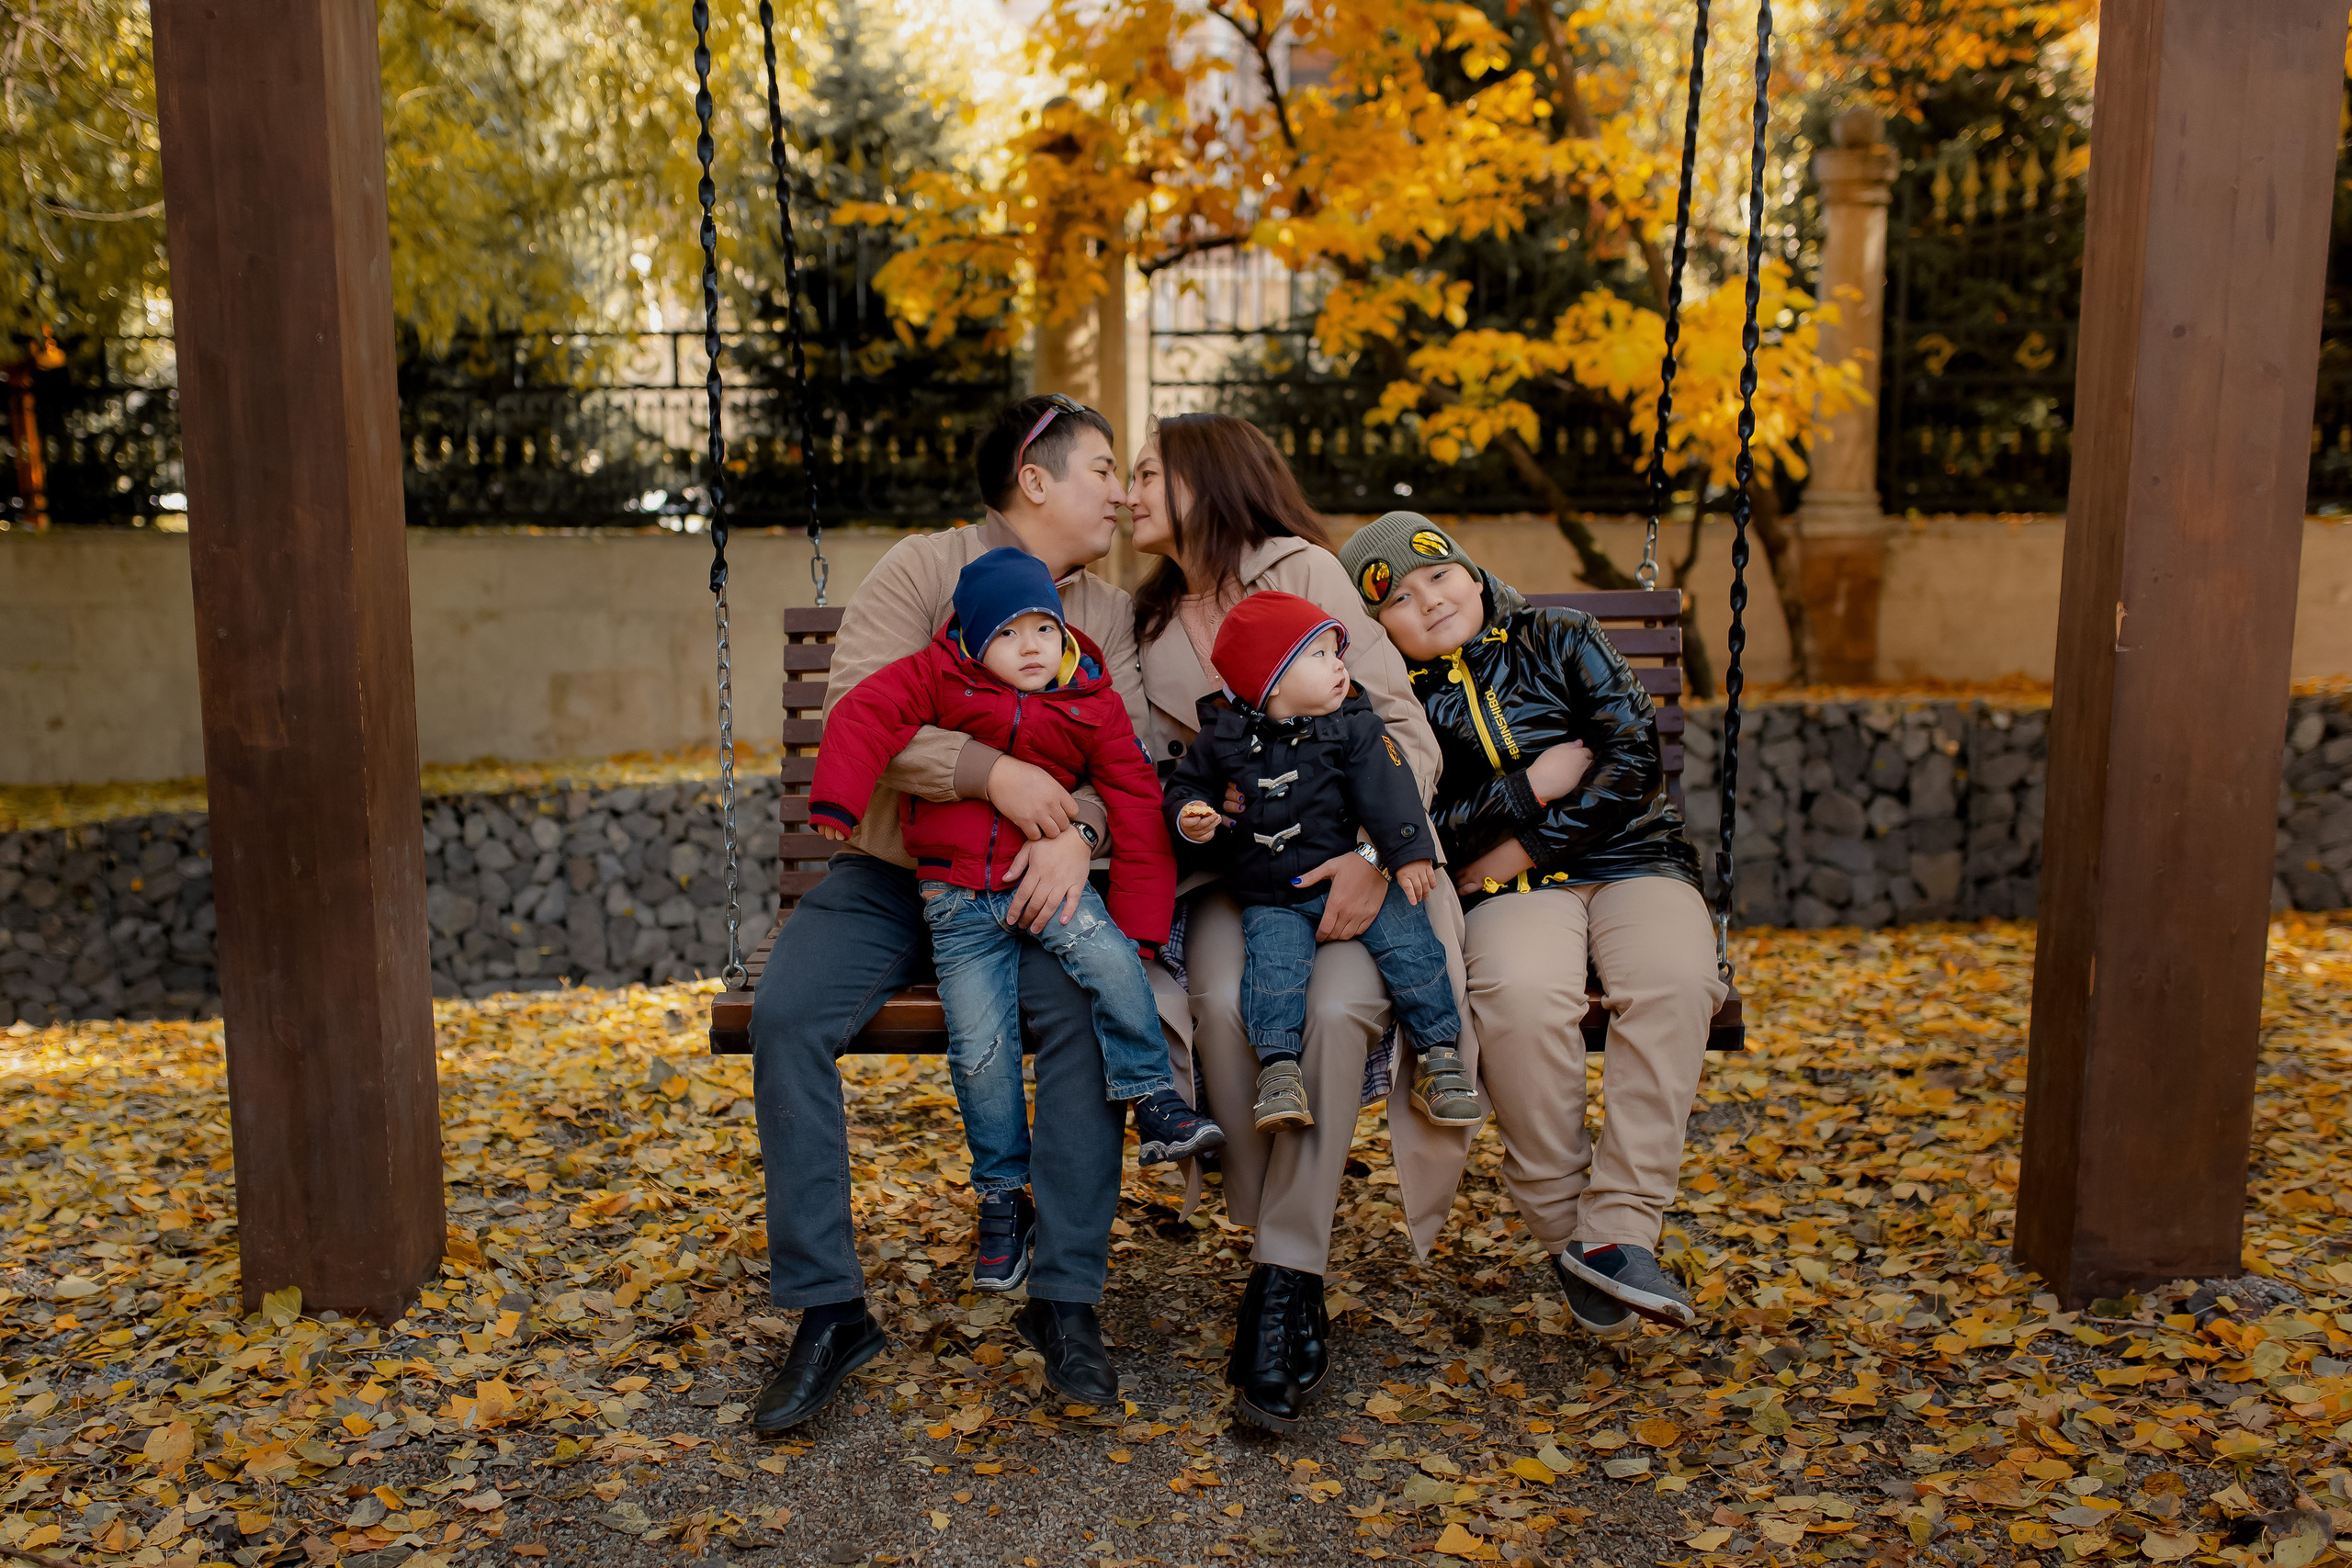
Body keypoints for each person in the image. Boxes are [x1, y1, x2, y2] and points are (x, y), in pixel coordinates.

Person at [747, 394, 1139, 1433]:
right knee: (787, 1016)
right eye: (1102, 467)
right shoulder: (922, 569)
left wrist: (1076, 834)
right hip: (893, 876)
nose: (1120, 489)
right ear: (1035, 478)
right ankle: (829, 1310)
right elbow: (859, 716)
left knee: (1081, 1023)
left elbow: (1128, 760)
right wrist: (992, 771)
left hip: (1026, 886)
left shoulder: (1105, 611)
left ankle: (1064, 1298)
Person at [1125, 413, 1481, 1433]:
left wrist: (1373, 859)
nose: (1131, 492)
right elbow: (1175, 777)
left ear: (1208, 479)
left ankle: (1284, 1285)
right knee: (1226, 1001)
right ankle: (1275, 1234)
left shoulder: (1306, 574)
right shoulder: (1149, 625)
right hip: (1239, 881)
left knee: (1331, 1018)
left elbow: (1401, 732)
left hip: (1366, 869)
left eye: (1150, 472)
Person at [1339, 513, 1726, 1337]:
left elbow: (1631, 762)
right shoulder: (1396, 704)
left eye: (1437, 576)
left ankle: (1618, 1223)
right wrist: (1534, 784)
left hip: (1633, 861)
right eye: (1399, 600)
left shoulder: (1561, 635)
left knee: (1678, 979)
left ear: (1471, 574)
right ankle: (1567, 1232)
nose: (1430, 601)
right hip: (1510, 902)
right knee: (1515, 992)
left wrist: (1518, 844)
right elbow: (1423, 817)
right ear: (1380, 630)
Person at [808, 546, 1224, 1294]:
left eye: (1042, 628)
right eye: (1006, 634)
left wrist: (1141, 923)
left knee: (1114, 963)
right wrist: (837, 803)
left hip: (1047, 883)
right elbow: (867, 712)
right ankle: (1002, 1197)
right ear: (971, 641)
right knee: (981, 1049)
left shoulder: (1088, 696)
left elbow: (1132, 797)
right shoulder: (939, 677)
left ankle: (1153, 1096)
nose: (1030, 646)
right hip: (959, 905)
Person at [1162, 591, 1476, 1134]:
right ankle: (1279, 1073)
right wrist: (1192, 813)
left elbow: (1391, 790)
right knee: (1272, 973)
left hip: (1354, 877)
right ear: (1272, 681)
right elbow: (1188, 785)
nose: (1339, 666)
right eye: (1320, 655)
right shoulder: (1223, 736)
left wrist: (1407, 852)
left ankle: (1439, 1056)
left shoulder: (1353, 726)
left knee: (1414, 953)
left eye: (1338, 653)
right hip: (1271, 890)